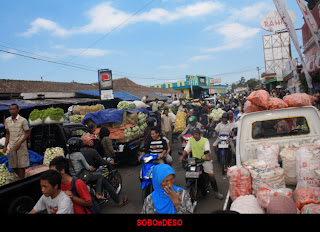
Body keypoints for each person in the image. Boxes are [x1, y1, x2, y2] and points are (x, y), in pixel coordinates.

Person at [179, 128, 223, 200]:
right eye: (193, 134)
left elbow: (207, 150)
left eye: (196, 134)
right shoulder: (191, 141)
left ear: (200, 134)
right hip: (195, 160)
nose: (195, 136)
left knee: (211, 175)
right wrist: (182, 156)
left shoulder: (205, 140)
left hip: (204, 160)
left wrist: (207, 156)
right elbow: (186, 149)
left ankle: (216, 192)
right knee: (188, 172)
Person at [3, 103, 31, 179]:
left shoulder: (23, 120)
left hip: (21, 146)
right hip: (12, 145)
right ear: (9, 110)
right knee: (13, 165)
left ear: (18, 110)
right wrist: (5, 146)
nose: (12, 111)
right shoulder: (7, 120)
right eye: (11, 109)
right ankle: (21, 178)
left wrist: (20, 142)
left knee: (21, 166)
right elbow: (7, 133)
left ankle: (21, 181)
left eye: (14, 109)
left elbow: (28, 132)